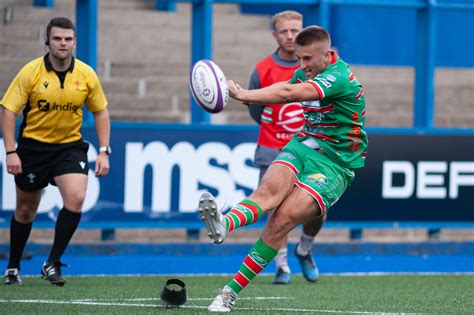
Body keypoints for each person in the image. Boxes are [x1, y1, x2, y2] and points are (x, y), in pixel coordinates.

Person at [199, 25, 367, 312]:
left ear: (327, 55)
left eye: (307, 60)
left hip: (336, 164)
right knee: (267, 193)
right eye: (298, 59)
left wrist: (243, 95)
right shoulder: (308, 71)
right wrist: (249, 92)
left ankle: (230, 292)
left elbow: (290, 92)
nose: (301, 66)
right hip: (302, 145)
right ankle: (224, 224)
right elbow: (285, 86)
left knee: (282, 219)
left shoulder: (339, 77)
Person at [1, 17, 111, 286]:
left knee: (76, 197)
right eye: (58, 39)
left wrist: (105, 150)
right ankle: (13, 266)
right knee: (26, 211)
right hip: (33, 149)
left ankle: (52, 262)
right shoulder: (31, 72)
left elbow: (100, 111)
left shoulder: (86, 74)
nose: (63, 43)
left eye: (68, 39)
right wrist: (11, 151)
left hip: (69, 147)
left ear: (75, 42)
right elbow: (8, 110)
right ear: (47, 42)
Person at [247, 10, 323, 285]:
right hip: (272, 146)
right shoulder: (262, 69)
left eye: (295, 30)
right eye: (284, 31)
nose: (290, 36)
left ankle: (304, 249)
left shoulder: (316, 66)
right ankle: (282, 265)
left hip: (312, 149)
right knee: (276, 209)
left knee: (319, 208)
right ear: (275, 35)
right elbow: (256, 110)